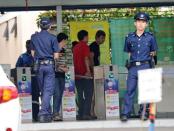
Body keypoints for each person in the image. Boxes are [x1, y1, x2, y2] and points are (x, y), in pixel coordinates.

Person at [121, 12, 158, 122]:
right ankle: (125, 114)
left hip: (145, 66)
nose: (141, 24)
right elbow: (128, 53)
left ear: (146, 24)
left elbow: (153, 52)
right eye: (138, 21)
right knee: (129, 91)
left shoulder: (150, 37)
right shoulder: (129, 37)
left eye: (143, 22)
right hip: (133, 68)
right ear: (135, 23)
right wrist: (129, 68)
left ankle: (143, 113)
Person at [30, 17, 60, 123]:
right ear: (49, 26)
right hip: (49, 66)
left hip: (38, 66)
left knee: (43, 90)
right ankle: (43, 114)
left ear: (40, 26)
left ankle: (47, 113)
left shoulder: (34, 37)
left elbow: (33, 54)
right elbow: (56, 56)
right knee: (48, 90)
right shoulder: (53, 38)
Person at [16, 40, 40, 122]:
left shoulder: (37, 56)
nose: (28, 47)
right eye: (27, 46)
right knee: (26, 97)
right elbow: (17, 68)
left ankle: (36, 115)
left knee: (35, 97)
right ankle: (26, 115)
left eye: (29, 46)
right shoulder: (22, 57)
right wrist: (24, 67)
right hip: (25, 81)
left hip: (35, 79)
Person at [73, 30, 94, 120]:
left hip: (77, 75)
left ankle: (80, 113)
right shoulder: (85, 46)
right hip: (85, 75)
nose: (88, 38)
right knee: (89, 94)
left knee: (80, 95)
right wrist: (88, 71)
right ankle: (86, 113)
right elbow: (86, 58)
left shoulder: (75, 47)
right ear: (85, 37)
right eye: (87, 36)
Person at [89, 30, 106, 119]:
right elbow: (91, 58)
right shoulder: (93, 46)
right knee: (92, 93)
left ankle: (92, 111)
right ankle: (91, 111)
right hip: (94, 71)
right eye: (102, 38)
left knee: (95, 92)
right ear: (97, 37)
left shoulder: (97, 46)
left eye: (104, 38)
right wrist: (92, 70)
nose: (103, 40)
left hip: (96, 70)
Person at [53, 33, 68, 121]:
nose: (66, 42)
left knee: (60, 94)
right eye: (65, 40)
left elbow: (64, 62)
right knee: (57, 94)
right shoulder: (55, 50)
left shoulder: (64, 50)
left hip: (62, 75)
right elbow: (55, 64)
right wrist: (62, 68)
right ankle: (55, 113)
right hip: (55, 75)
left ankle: (56, 113)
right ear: (62, 40)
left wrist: (66, 68)